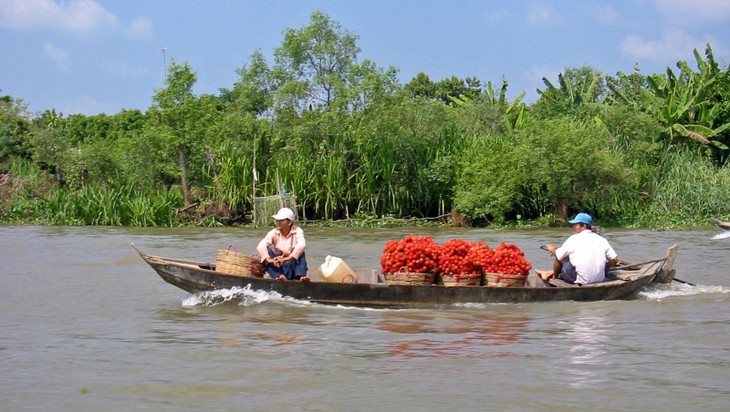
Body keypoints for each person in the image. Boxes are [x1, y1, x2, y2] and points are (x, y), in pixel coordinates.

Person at [535, 212, 621, 285]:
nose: (573, 227)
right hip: (599, 278)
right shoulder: (602, 240)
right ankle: (549, 273)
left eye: (575, 225)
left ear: (583, 226)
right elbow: (614, 258)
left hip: (579, 279)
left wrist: (552, 248)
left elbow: (559, 255)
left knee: (561, 258)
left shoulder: (574, 238)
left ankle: (555, 278)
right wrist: (609, 264)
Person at [256, 207, 309, 281]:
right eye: (277, 220)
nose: (278, 222)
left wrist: (287, 258)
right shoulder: (274, 232)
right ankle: (280, 276)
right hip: (279, 265)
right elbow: (261, 246)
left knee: (299, 251)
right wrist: (269, 259)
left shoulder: (297, 231)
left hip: (292, 265)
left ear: (289, 222)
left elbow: (302, 244)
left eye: (281, 220)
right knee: (266, 252)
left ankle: (301, 276)